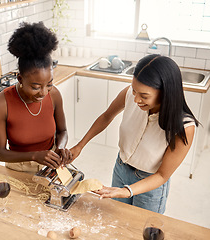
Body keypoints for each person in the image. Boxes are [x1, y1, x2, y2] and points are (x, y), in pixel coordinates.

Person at [69, 54, 199, 213]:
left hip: (150, 183)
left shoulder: (184, 126)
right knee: (116, 220)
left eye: (144, 96)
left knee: (140, 230)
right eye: (134, 90)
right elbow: (106, 116)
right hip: (121, 169)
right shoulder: (130, 94)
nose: (136, 99)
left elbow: (162, 175)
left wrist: (127, 190)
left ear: (166, 93)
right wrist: (80, 146)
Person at [0, 22, 72, 172]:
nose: (43, 92)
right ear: (20, 79)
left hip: (51, 164)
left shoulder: (54, 95)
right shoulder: (1, 104)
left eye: (49, 84)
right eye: (35, 87)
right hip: (19, 169)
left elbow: (62, 131)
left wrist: (60, 148)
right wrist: (34, 156)